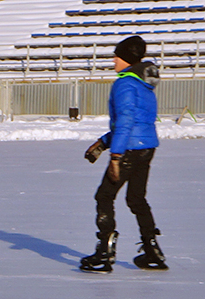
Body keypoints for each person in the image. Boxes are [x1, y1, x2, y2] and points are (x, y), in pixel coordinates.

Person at [79, 35, 164, 272]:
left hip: (129, 149)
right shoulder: (143, 84)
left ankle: (104, 253)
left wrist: (115, 156)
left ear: (126, 59)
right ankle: (152, 251)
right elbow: (136, 122)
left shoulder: (125, 83)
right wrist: (103, 142)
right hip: (146, 147)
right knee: (136, 199)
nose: (114, 60)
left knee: (104, 196)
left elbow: (126, 120)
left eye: (117, 56)